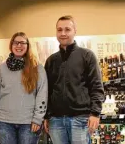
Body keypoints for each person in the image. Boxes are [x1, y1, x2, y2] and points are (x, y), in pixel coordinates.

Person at [43, 15, 105, 144]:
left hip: (81, 119)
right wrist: (47, 116)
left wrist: (95, 113)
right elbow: (46, 91)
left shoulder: (87, 56)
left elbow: (96, 87)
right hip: (56, 121)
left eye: (67, 29)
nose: (63, 33)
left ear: (75, 31)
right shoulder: (51, 61)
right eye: (59, 30)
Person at [0, 32, 48, 144]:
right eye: (16, 43)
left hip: (29, 123)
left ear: (27, 46)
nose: (19, 46)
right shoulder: (2, 68)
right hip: (4, 122)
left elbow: (42, 93)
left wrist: (38, 119)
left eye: (22, 43)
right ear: (11, 45)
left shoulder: (37, 67)